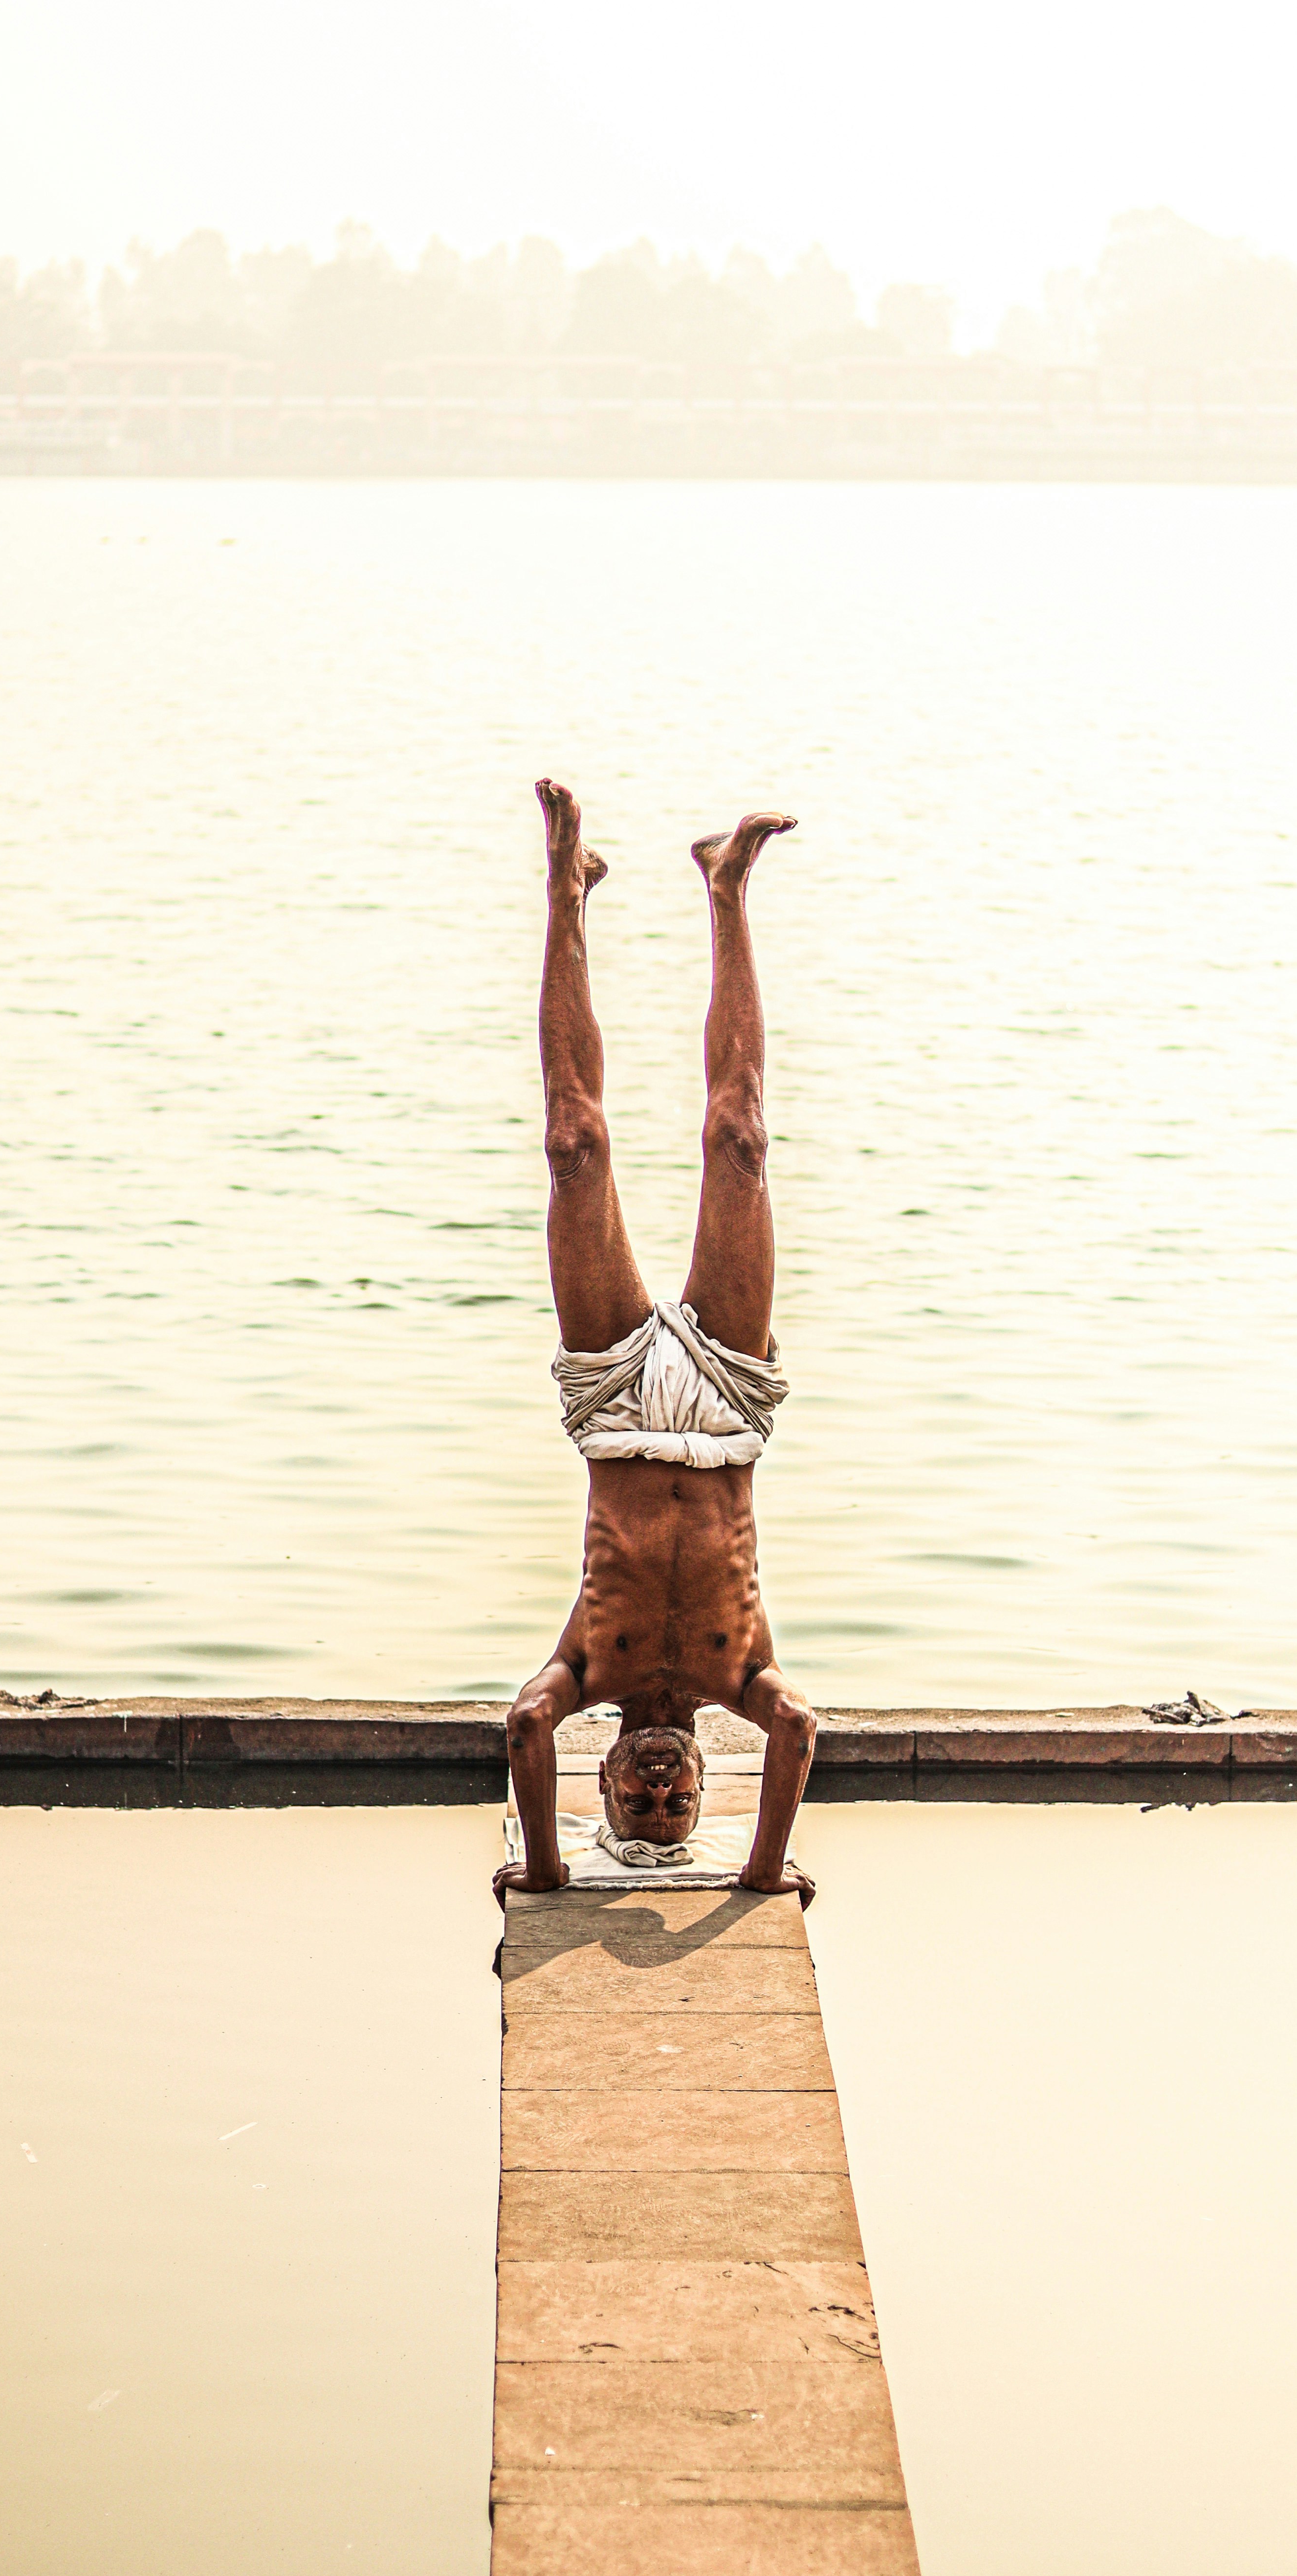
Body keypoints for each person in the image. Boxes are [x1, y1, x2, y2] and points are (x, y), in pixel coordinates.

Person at [498, 778, 817, 1906]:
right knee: (740, 1137)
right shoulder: (748, 1681)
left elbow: (522, 1723)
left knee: (572, 1142)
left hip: (617, 1412)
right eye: (677, 1806)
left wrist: (543, 1870)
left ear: (603, 1786)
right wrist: (760, 1873)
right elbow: (803, 1732)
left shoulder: (584, 1674)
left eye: (636, 1807)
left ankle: (565, 893)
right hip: (727, 1413)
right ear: (702, 1784)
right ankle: (726, 890)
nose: (656, 1796)